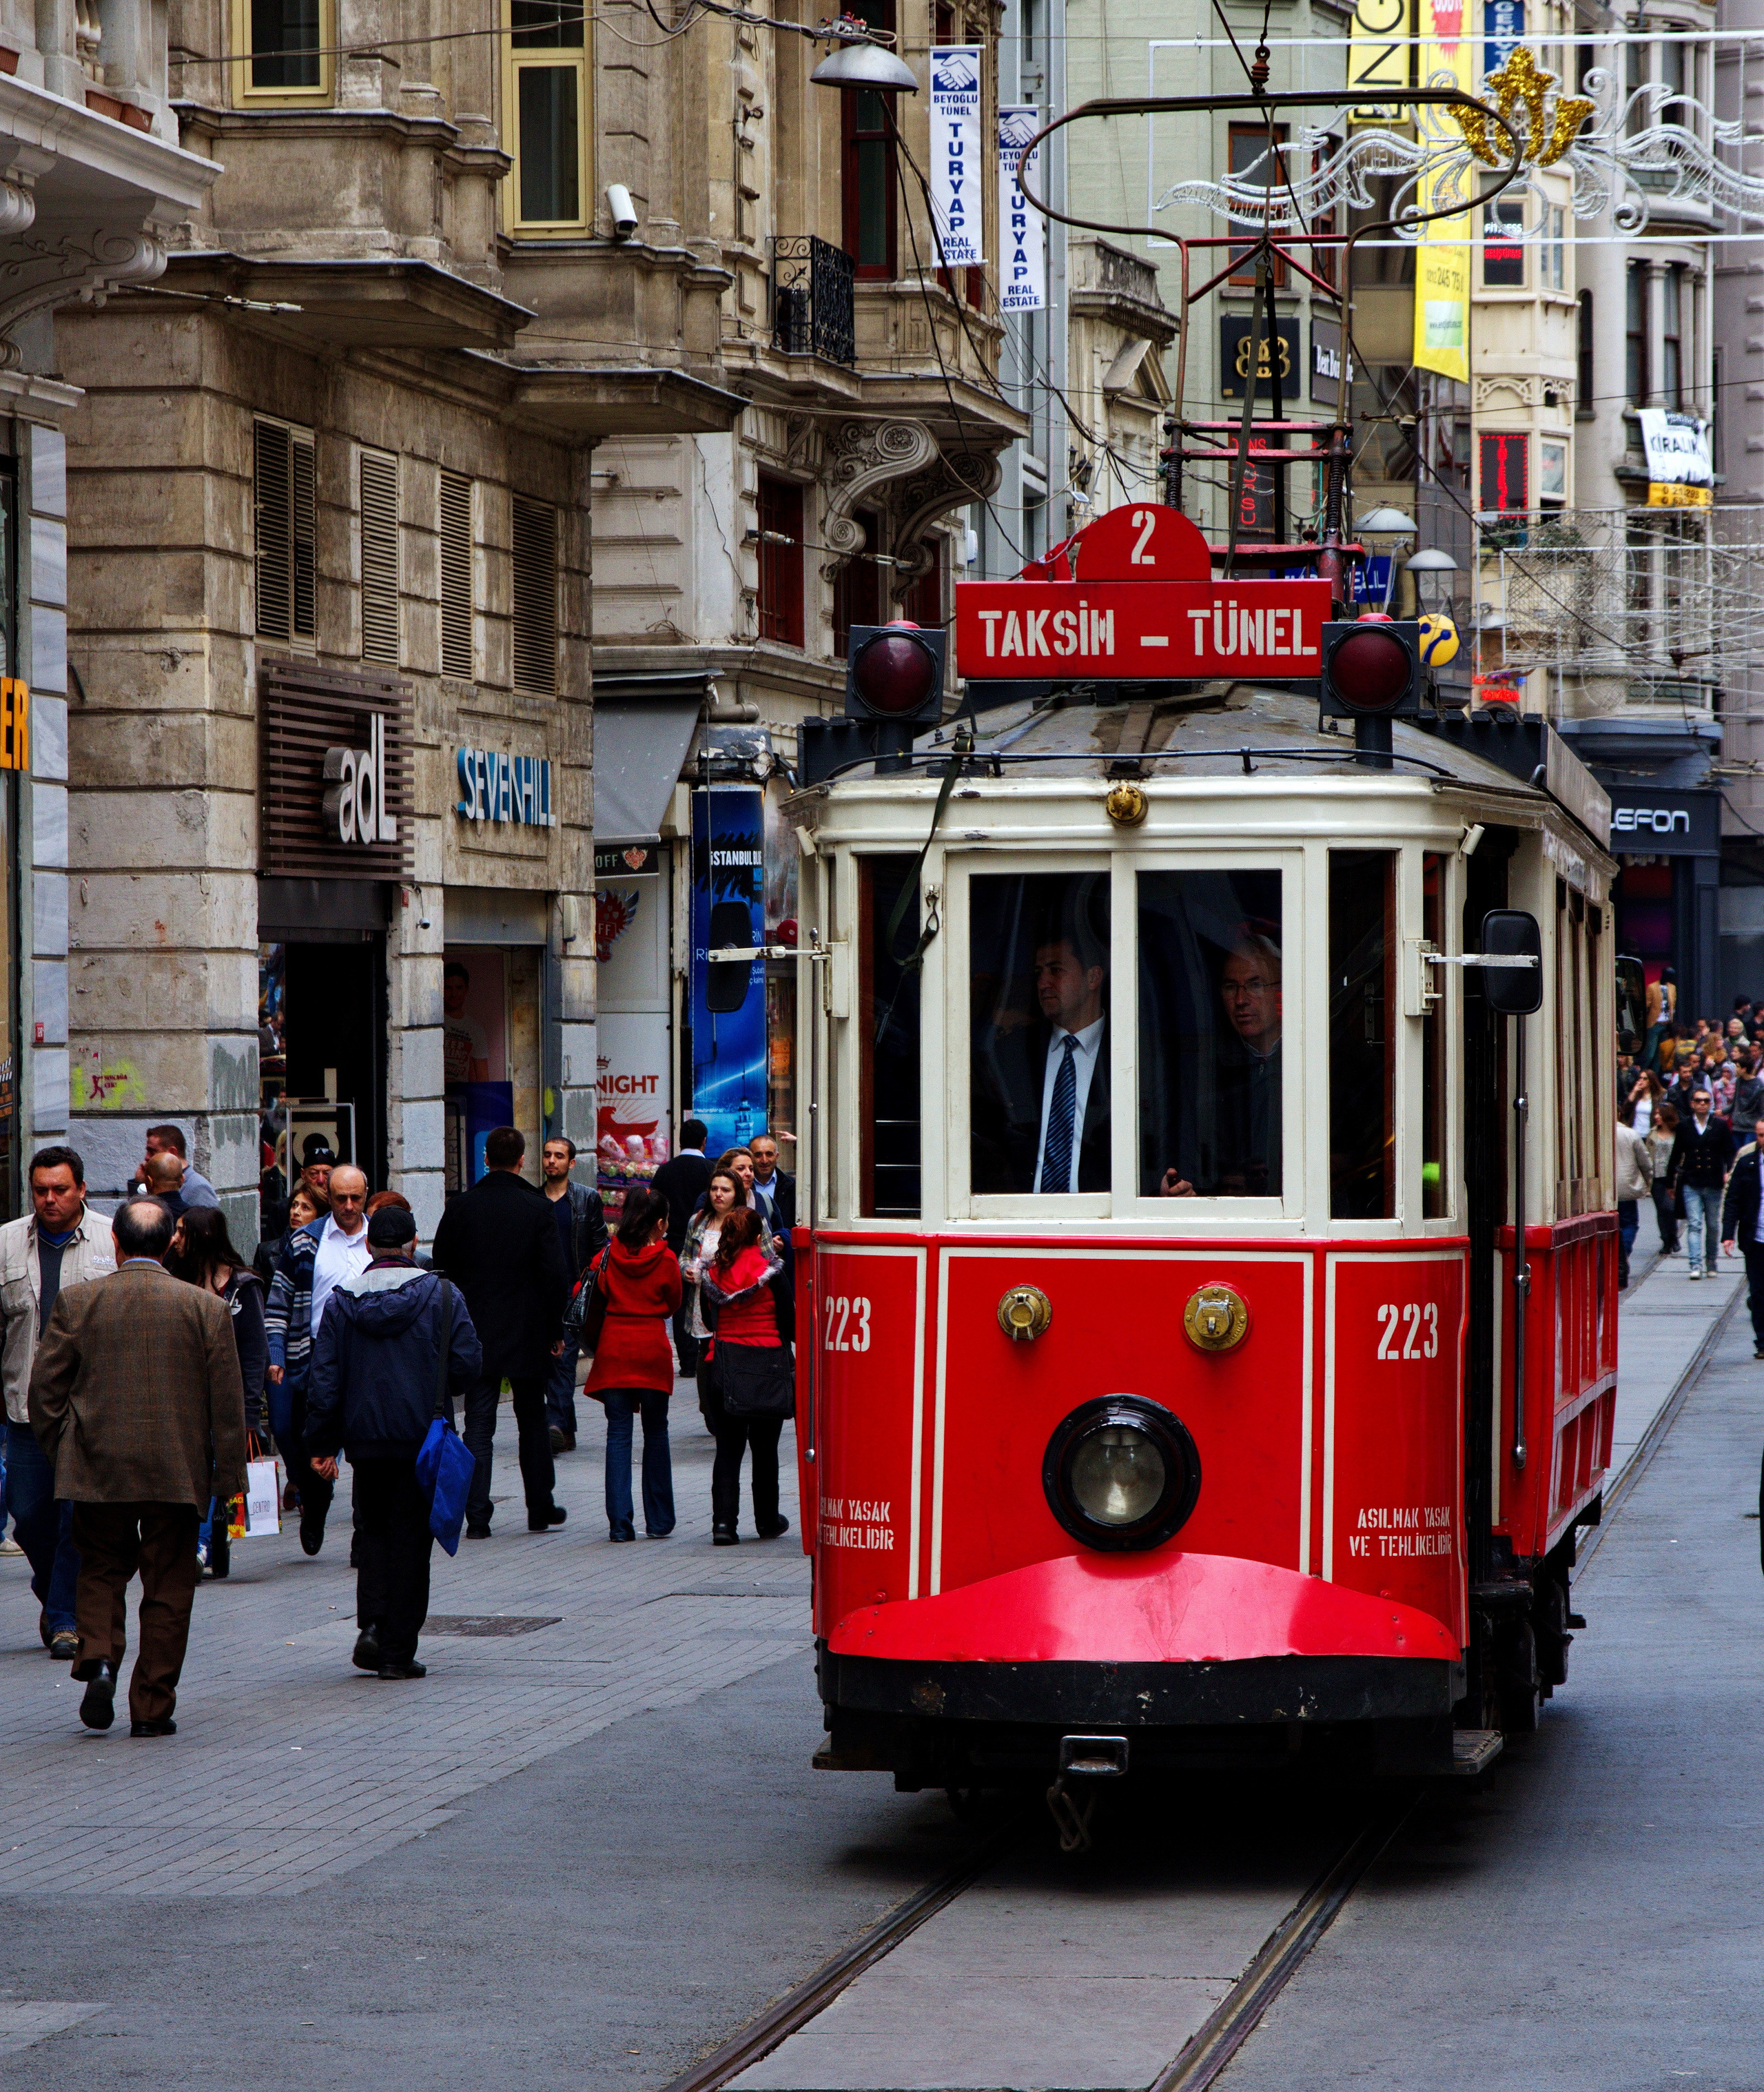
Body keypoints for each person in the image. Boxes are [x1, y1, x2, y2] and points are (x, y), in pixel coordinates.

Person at [28, 1196, 246, 1737]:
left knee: (100, 1568)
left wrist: (65, 1451)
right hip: (177, 1468)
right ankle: (151, 1706)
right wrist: (228, 1482)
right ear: (172, 1241)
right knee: (169, 1585)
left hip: (99, 1464)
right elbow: (227, 1406)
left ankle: (99, 1659)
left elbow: (44, 1392)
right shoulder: (206, 1309)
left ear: (116, 1244)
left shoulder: (79, 1303)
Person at [305, 1204, 482, 1679]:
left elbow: (324, 1379)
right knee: (411, 1542)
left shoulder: (342, 1300)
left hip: (365, 1442)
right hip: (422, 1439)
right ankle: (398, 1650)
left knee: (374, 1534)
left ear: (368, 1245)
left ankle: (373, 1627)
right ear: (412, 1243)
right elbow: (468, 1365)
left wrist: (322, 1442)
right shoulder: (443, 1295)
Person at [0, 1147, 116, 1661]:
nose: (49, 1199)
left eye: (60, 1190)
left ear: (82, 1190)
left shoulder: (111, 1240)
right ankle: (54, 1595)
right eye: (41, 1190)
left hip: (88, 1407)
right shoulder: (6, 1242)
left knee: (74, 1515)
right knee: (27, 1513)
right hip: (25, 1405)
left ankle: (67, 1617)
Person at [432, 1125, 571, 1538]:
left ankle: (477, 1516)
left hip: (475, 1331)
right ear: (523, 1160)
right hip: (528, 1331)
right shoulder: (537, 1208)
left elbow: (443, 1269)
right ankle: (539, 1507)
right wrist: (555, 1330)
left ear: (486, 1158)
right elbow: (555, 1277)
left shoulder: (461, 1208)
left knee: (479, 1423)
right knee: (532, 1420)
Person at [265, 1170, 371, 1555]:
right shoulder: (305, 1242)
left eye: (355, 1199)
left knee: (366, 1447)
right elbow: (278, 1305)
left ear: (365, 1196)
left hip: (367, 1359)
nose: (347, 1207)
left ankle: (365, 1536)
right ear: (330, 1194)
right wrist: (276, 1353)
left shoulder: (378, 1242)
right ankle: (315, 1507)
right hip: (314, 1358)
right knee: (309, 1441)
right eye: (340, 1198)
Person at [166, 1207, 267, 1580]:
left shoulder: (244, 1285)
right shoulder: (173, 1280)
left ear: (202, 1237)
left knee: (213, 1475)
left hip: (225, 1401)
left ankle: (201, 1546)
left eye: (181, 1232)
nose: (174, 1239)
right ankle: (192, 1542)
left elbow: (255, 1353)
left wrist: (250, 1416)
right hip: (181, 1399)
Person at [574, 1188, 681, 1541]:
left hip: (615, 1348)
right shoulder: (666, 1261)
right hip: (651, 1348)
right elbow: (672, 1305)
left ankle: (620, 1524)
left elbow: (582, 1291)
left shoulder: (606, 1256)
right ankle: (660, 1520)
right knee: (657, 1432)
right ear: (660, 1223)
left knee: (618, 1436)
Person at [972, 925, 1111, 1195]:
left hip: (1104, 1219)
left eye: (1056, 970)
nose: (1043, 982)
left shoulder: (1130, 1051)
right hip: (1022, 1217)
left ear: (1093, 977)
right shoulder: (1011, 1052)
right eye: (1039, 972)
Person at [1161, 934, 1284, 1198]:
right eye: (1231, 987)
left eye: (1255, 985)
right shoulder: (1205, 1070)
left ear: (1281, 990)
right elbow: (1189, 1158)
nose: (1241, 1000)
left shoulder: (1310, 1061)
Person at [697, 1207, 792, 1546]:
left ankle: (723, 1524)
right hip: (766, 1369)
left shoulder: (712, 1275)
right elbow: (789, 1324)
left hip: (722, 1367)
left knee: (728, 1451)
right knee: (765, 1451)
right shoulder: (773, 1274)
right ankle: (767, 1519)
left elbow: (710, 1323)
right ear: (757, 1237)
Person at [541, 1134, 608, 1453]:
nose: (551, 1161)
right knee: (548, 1363)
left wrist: (591, 1287)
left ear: (571, 1163)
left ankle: (553, 1424)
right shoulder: (534, 1200)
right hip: (540, 1296)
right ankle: (566, 1431)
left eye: (558, 1156)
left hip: (573, 1293)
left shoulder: (586, 1199)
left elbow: (599, 1248)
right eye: (547, 1155)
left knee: (564, 1360)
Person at [681, 1168, 778, 1352]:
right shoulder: (697, 1221)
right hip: (703, 1304)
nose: (718, 1194)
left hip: (741, 1307)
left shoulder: (754, 1222)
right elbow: (685, 1255)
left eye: (725, 1190)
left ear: (737, 1194)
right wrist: (686, 1269)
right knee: (706, 1354)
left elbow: (768, 1263)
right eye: (714, 1189)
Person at [654, 1120, 712, 1375]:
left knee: (680, 1301)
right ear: (704, 1141)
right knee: (707, 1295)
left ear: (680, 1141)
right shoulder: (712, 1170)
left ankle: (688, 1361)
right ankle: (707, 1352)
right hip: (707, 1242)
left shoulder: (666, 1170)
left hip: (675, 1241)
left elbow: (653, 1205)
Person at [1669, 1085, 1736, 1280]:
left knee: (1713, 1225)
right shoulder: (1684, 1127)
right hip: (1692, 1182)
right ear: (1692, 1104)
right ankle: (1695, 1264)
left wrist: (1729, 1171)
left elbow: (1729, 1150)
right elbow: (1676, 1154)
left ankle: (1712, 1262)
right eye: (1699, 1101)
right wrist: (1669, 1181)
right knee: (1695, 1225)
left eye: (1706, 1101)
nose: (1702, 1104)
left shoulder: (1720, 1126)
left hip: (1714, 1182)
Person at [1721, 1119, 1764, 1360]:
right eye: (1759, 1136)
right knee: (1758, 1292)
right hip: (1755, 1238)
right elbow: (1733, 1199)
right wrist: (1728, 1235)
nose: (1762, 1141)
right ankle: (1762, 1342)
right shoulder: (1747, 1163)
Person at [255, 1181, 327, 1289]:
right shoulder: (266, 1252)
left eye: (305, 1208)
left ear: (319, 1216)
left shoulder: (328, 1250)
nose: (296, 1212)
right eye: (294, 1205)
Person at [134, 1125, 220, 1211]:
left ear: (172, 1152)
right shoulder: (157, 1180)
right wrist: (140, 1183)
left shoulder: (199, 1188)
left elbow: (206, 1223)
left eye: (152, 1151)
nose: (147, 1157)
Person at [1615, 1109, 1652, 1291]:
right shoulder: (1631, 1134)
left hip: (1606, 1190)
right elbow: (1644, 1161)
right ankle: (1624, 1253)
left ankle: (1619, 1255)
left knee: (1616, 1224)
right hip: (1627, 1187)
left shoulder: (1599, 1134)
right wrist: (1648, 1180)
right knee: (1629, 1222)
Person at [442, 961, 490, 1085]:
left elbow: (483, 1078)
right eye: (448, 988)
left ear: (466, 990)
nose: (454, 994)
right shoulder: (432, 1024)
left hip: (459, 1098)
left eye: (459, 988)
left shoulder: (475, 1029)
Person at [1648, 1102, 1681, 1255]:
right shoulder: (1652, 1133)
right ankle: (1667, 1241)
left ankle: (1673, 1237)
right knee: (1661, 1210)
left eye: (1660, 1114)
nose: (1657, 1117)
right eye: (1655, 1114)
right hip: (1657, 1176)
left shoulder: (1678, 1133)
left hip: (1673, 1177)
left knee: (1670, 1208)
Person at [748, 1134, 796, 1234]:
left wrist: (784, 1239)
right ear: (750, 1157)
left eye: (769, 1154)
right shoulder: (742, 1186)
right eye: (758, 1155)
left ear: (777, 1156)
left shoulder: (792, 1186)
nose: (764, 1160)